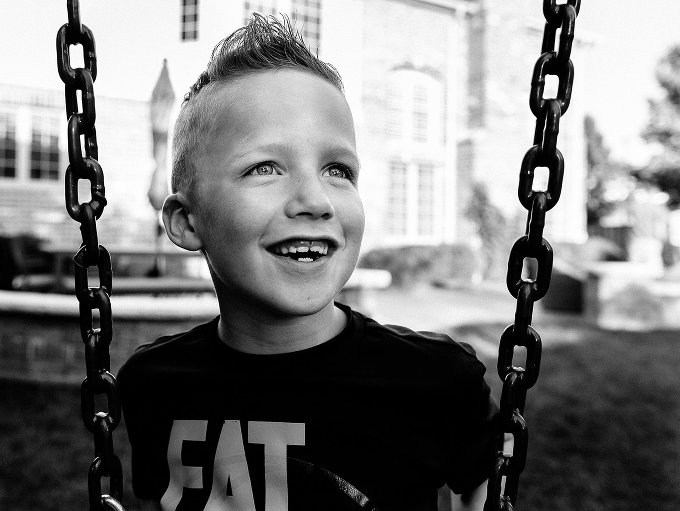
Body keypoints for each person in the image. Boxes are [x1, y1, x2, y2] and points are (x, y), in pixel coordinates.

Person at [118, 13, 498, 511]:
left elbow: (485, 484)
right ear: (187, 222)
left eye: (338, 169)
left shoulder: (434, 382)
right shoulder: (155, 383)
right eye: (265, 167)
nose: (315, 200)